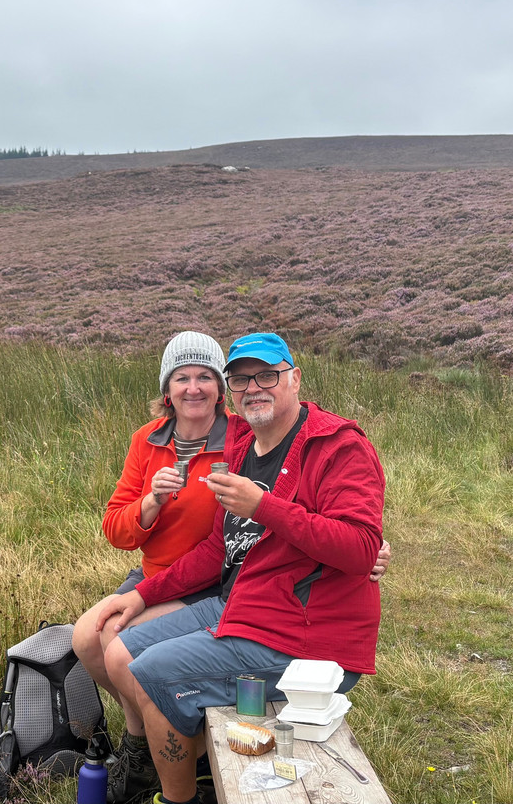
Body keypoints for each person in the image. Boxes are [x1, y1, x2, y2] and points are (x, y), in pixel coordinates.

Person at [96, 332, 387, 804]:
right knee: (121, 651)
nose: (255, 387)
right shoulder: (245, 447)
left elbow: (359, 547)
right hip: (246, 603)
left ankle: (179, 798)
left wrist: (265, 506)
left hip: (304, 634)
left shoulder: (338, 447)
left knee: (153, 672)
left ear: (294, 378)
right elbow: (218, 549)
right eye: (242, 379)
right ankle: (184, 766)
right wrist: (142, 594)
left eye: (267, 375)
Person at [73, 331, 232, 739]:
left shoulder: (240, 439)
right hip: (154, 573)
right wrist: (150, 504)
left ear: (220, 388)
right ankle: (154, 733)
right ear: (167, 389)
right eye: (182, 378)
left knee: (115, 639)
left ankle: (141, 743)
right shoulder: (147, 439)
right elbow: (115, 529)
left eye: (205, 377)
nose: (193, 388)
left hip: (206, 581)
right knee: (85, 639)